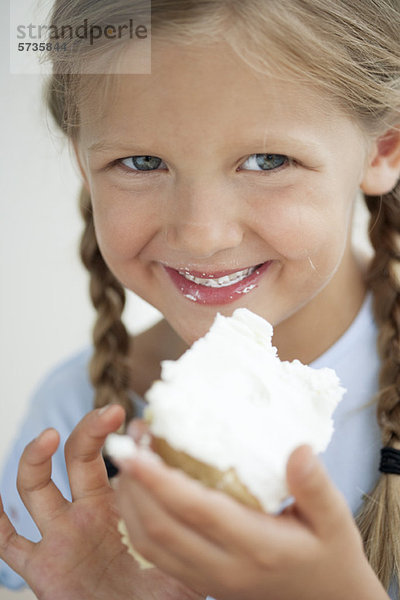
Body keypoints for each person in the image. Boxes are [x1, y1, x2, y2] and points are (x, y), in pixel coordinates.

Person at [1, 0, 400, 598]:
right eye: (141, 162)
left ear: (383, 151)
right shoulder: (71, 426)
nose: (202, 233)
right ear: (83, 164)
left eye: (268, 161)